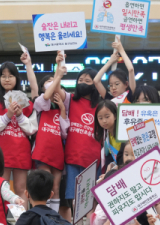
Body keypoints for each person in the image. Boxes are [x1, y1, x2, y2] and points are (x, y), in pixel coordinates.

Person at [0, 61, 38, 209]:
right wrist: (7, 116)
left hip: (21, 151)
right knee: (1, 188)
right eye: (3, 76)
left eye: (10, 76)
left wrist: (20, 116)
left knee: (21, 189)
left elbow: (32, 129)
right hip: (0, 152)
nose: (7, 79)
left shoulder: (26, 103)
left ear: (17, 78)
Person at [63, 53, 102, 212]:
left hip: (94, 158)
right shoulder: (70, 99)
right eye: (80, 80)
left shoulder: (101, 104)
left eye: (88, 81)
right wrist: (60, 66)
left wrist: (113, 59)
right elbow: (56, 90)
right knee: (74, 195)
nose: (83, 83)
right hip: (72, 156)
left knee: (92, 196)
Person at [33, 64, 69, 213]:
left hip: (57, 152)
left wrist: (62, 110)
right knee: (45, 184)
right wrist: (58, 75)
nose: (52, 82)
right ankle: (44, 214)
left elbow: (64, 133)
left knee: (55, 186)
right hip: (42, 151)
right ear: (43, 88)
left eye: (53, 80)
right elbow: (47, 96)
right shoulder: (39, 103)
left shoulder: (62, 107)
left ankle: (53, 215)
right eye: (49, 81)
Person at [93, 39, 136, 104]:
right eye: (110, 85)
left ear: (126, 84)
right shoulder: (109, 99)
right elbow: (96, 81)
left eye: (117, 84)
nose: (113, 88)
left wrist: (121, 50)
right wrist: (110, 61)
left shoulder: (131, 96)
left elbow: (131, 69)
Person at [94, 99, 124, 168]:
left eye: (107, 117)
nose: (104, 121)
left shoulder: (123, 135)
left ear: (115, 116)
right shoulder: (107, 135)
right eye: (100, 118)